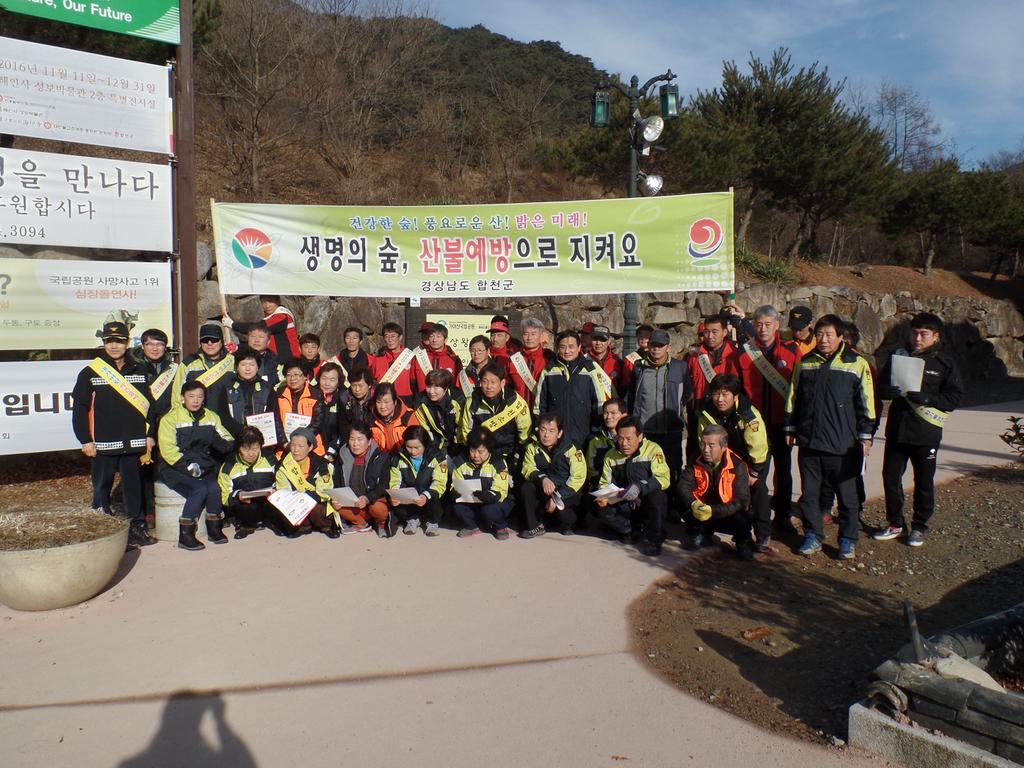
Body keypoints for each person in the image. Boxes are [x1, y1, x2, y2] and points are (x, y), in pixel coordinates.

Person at [785, 314, 876, 559]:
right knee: (810, 495)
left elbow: (867, 404)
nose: (823, 340)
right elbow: (794, 397)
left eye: (828, 335)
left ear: (840, 337)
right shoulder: (805, 362)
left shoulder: (856, 364)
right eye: (819, 335)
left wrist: (866, 436)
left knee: (847, 496)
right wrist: (790, 428)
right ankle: (813, 535)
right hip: (810, 442)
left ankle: (847, 539)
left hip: (843, 445)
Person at [874, 312, 964, 547]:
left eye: (924, 334)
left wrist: (929, 398)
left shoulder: (945, 363)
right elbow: (879, 387)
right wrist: (886, 392)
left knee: (924, 481)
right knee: (891, 478)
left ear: (935, 336)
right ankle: (895, 522)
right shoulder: (897, 357)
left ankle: (919, 526)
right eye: (914, 332)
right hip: (897, 430)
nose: (917, 338)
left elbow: (954, 397)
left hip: (926, 433)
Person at [72, 321, 156, 548]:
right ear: (103, 343)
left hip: (134, 440)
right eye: (110, 341)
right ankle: (103, 531)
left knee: (133, 487)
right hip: (103, 443)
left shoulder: (140, 369)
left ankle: (136, 528)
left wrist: (150, 435)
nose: (114, 346)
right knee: (101, 487)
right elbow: (80, 407)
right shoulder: (90, 372)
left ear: (127, 343)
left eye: (119, 341)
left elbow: (151, 406)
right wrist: (85, 439)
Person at [735, 305, 802, 534]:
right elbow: (738, 390)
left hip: (781, 423)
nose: (763, 329)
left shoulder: (792, 351)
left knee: (783, 472)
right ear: (753, 326)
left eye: (767, 324)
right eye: (759, 324)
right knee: (756, 472)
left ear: (777, 326)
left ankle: (783, 515)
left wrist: (794, 421)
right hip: (755, 426)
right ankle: (755, 515)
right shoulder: (745, 352)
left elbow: (798, 386)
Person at [696, 374, 771, 552]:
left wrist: (754, 473)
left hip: (751, 459)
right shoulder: (705, 412)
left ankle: (763, 534)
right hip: (721, 459)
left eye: (725, 394)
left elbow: (758, 447)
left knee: (758, 490)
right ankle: (705, 530)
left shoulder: (749, 414)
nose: (720, 399)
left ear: (735, 396)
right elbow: (703, 441)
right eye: (716, 394)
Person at [158, 380, 235, 550]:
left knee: (215, 488)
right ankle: (185, 535)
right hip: (174, 467)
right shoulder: (170, 419)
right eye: (191, 396)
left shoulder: (211, 416)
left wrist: (220, 442)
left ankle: (214, 529)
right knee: (199, 490)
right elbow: (168, 450)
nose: (195, 400)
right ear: (182, 398)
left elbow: (228, 438)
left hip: (204, 464)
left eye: (200, 396)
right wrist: (187, 467)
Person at [594, 416, 670, 556]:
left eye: (629, 439)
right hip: (623, 501)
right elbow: (604, 482)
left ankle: (655, 540)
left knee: (659, 497)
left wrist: (640, 487)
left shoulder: (653, 449)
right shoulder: (611, 455)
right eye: (620, 438)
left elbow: (663, 478)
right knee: (599, 507)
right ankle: (630, 530)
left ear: (640, 436)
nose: (624, 443)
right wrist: (604, 495)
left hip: (645, 501)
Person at [678, 424, 754, 561]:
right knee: (680, 501)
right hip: (702, 509)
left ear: (723, 447)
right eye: (703, 444)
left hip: (726, 511)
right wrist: (694, 503)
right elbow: (684, 485)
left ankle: (743, 542)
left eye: (711, 445)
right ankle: (701, 534)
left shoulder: (737, 465)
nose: (705, 450)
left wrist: (713, 511)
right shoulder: (695, 458)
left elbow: (742, 500)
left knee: (744, 515)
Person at [628, 329, 691, 487]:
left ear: (668, 347)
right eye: (653, 345)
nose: (656, 349)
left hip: (671, 430)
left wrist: (676, 408)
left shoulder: (680, 367)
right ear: (648, 346)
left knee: (673, 470)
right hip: (645, 431)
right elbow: (632, 396)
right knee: (646, 470)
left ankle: (672, 506)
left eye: (660, 345)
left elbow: (687, 394)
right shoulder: (638, 367)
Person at [131, 327, 178, 530]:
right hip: (142, 424)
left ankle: (165, 508)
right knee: (143, 470)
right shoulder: (133, 366)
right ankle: (146, 512)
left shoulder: (173, 368)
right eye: (150, 344)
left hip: (167, 424)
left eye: (159, 344)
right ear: (143, 346)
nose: (155, 348)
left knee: (165, 467)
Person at [535, 330, 607, 450]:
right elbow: (539, 407)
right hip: (555, 437)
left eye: (571, 347)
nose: (567, 351)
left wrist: (595, 432)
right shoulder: (549, 370)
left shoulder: (590, 369)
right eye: (562, 347)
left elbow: (599, 404)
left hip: (583, 435)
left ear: (579, 347)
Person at [519, 413, 587, 538]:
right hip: (546, 489)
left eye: (551, 431)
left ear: (560, 433)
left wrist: (557, 498)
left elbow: (578, 478)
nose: (546, 435)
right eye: (543, 430)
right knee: (527, 487)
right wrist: (542, 479)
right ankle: (535, 526)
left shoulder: (572, 448)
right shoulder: (532, 446)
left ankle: (568, 524)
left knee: (565, 515)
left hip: (566, 492)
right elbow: (527, 468)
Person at [459, 361, 531, 467]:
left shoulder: (515, 402)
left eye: (493, 382)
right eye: (485, 381)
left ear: (502, 383)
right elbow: (466, 432)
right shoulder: (472, 402)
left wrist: (516, 454)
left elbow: (524, 434)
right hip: (480, 456)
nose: (489, 386)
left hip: (508, 455)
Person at [450, 427, 513, 540]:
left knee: (489, 510)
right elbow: (455, 483)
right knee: (457, 507)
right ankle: (473, 526)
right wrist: (455, 492)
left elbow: (502, 491)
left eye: (480, 451)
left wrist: (490, 495)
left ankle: (500, 526)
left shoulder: (498, 462)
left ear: (489, 449)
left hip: (494, 501)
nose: (476, 455)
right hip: (471, 500)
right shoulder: (460, 461)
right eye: (472, 450)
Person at [274, 427, 338, 538]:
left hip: (315, 500)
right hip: (296, 503)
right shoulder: (283, 465)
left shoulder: (322, 464)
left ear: (310, 447)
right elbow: (283, 490)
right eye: (293, 445)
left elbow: (325, 491)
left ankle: (326, 527)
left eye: (300, 446)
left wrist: (306, 496)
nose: (295, 450)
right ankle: (303, 527)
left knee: (319, 508)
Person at [331, 422, 391, 536]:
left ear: (369, 442)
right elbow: (338, 482)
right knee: (336, 504)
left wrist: (367, 498)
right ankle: (361, 523)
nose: (355, 444)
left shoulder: (381, 457)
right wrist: (338, 497)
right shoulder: (343, 455)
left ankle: (381, 523)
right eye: (352, 439)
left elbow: (384, 485)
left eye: (359, 439)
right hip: (353, 502)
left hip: (371, 500)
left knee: (377, 507)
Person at [218, 425, 277, 539]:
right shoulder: (229, 466)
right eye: (246, 449)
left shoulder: (270, 459)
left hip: (268, 502)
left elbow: (282, 480)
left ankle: (273, 522)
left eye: (255, 448)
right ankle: (246, 526)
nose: (251, 454)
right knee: (244, 506)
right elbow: (224, 496)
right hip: (245, 506)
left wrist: (275, 489)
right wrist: (237, 495)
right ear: (239, 448)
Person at [387, 426, 448, 536]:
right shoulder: (398, 457)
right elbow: (395, 480)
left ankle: (433, 522)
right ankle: (412, 519)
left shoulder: (437, 457)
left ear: (425, 444)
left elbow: (440, 482)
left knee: (436, 500)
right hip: (410, 496)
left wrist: (426, 496)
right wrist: (395, 495)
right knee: (396, 505)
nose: (413, 451)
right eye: (409, 447)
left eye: (417, 447)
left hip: (428, 495)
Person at [173, 322, 235, 422]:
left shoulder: (233, 361)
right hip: (197, 421)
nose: (209, 343)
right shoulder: (188, 363)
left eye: (214, 340)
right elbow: (177, 395)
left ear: (222, 341)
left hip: (229, 421)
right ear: (200, 342)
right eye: (205, 340)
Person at [223, 346, 279, 440]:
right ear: (237, 367)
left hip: (262, 439)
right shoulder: (227, 388)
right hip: (235, 438)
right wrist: (241, 431)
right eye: (243, 365)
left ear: (258, 367)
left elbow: (272, 414)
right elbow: (224, 415)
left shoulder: (267, 388)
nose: (247, 369)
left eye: (252, 365)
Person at [224, 294, 300, 359]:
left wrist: (232, 324)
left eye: (270, 301)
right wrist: (237, 348)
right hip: (274, 359)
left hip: (287, 361)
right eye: (264, 302)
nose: (267, 305)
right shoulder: (271, 317)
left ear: (278, 301)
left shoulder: (282, 316)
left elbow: (257, 328)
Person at [275, 358, 325, 455]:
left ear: (305, 376)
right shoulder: (278, 394)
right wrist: (285, 443)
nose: (292, 378)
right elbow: (276, 421)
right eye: (288, 375)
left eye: (296, 374)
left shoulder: (316, 394)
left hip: (311, 446)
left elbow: (318, 422)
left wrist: (302, 441)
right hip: (285, 447)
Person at [507, 316, 554, 408]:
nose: (529, 338)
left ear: (541, 336)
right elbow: (507, 388)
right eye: (526, 334)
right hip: (518, 412)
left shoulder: (549, 358)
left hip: (542, 412)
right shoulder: (513, 360)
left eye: (533, 334)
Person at [415, 369, 462, 455]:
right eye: (429, 386)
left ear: (446, 388)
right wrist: (435, 448)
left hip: (459, 444)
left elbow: (461, 427)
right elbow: (425, 429)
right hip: (436, 444)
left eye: (436, 387)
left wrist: (456, 446)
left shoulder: (457, 399)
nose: (431, 391)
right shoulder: (420, 403)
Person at [371, 322, 418, 404]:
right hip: (383, 400)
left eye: (393, 336)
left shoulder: (410, 357)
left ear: (400, 337)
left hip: (406, 398)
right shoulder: (378, 359)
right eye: (386, 336)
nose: (390, 339)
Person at [369, 382, 419, 454]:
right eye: (379, 402)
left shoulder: (408, 417)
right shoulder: (371, 420)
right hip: (382, 459)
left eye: (386, 402)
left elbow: (418, 445)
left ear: (395, 402)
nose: (382, 406)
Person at [414, 322, 463, 392]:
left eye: (438, 336)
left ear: (445, 339)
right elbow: (412, 382)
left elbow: (458, 384)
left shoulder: (454, 360)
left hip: (447, 401)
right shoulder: (418, 357)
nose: (434, 340)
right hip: (423, 400)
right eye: (431, 336)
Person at [587, 324, 632, 394]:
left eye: (602, 340)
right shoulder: (583, 360)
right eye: (595, 339)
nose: (598, 343)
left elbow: (624, 388)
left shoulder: (618, 363)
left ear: (608, 342)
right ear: (590, 340)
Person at [316, 362, 345, 462]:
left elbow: (342, 432)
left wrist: (332, 452)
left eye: (332, 380)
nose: (327, 383)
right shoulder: (312, 398)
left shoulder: (343, 400)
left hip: (333, 453)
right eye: (324, 378)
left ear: (338, 381)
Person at [338, 365, 375, 442]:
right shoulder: (344, 399)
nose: (357, 390)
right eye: (354, 385)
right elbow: (343, 426)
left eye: (361, 385)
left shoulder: (376, 399)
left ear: (369, 385)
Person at [241, 322, 281, 389]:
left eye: (261, 337)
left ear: (268, 341)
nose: (256, 340)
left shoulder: (275, 361)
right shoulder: (238, 357)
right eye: (253, 336)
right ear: (248, 339)